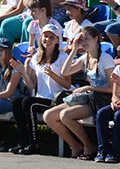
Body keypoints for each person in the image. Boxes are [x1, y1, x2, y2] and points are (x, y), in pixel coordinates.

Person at [44, 26, 115, 159]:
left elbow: (112, 88)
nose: (84, 42)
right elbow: (65, 72)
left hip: (102, 100)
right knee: (49, 115)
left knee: (65, 115)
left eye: (87, 38)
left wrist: (89, 88)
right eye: (82, 39)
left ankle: (88, 145)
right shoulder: (84, 58)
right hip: (90, 98)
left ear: (96, 39)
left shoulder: (106, 59)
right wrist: (74, 49)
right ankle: (75, 145)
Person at [10, 25, 70, 155]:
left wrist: (52, 75)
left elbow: (67, 84)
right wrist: (23, 72)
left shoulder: (62, 57)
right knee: (17, 103)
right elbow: (31, 86)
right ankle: (24, 142)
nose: (47, 40)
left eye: (51, 37)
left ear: (57, 40)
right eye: (45, 36)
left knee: (27, 103)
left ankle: (34, 143)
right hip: (41, 98)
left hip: (57, 100)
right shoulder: (37, 57)